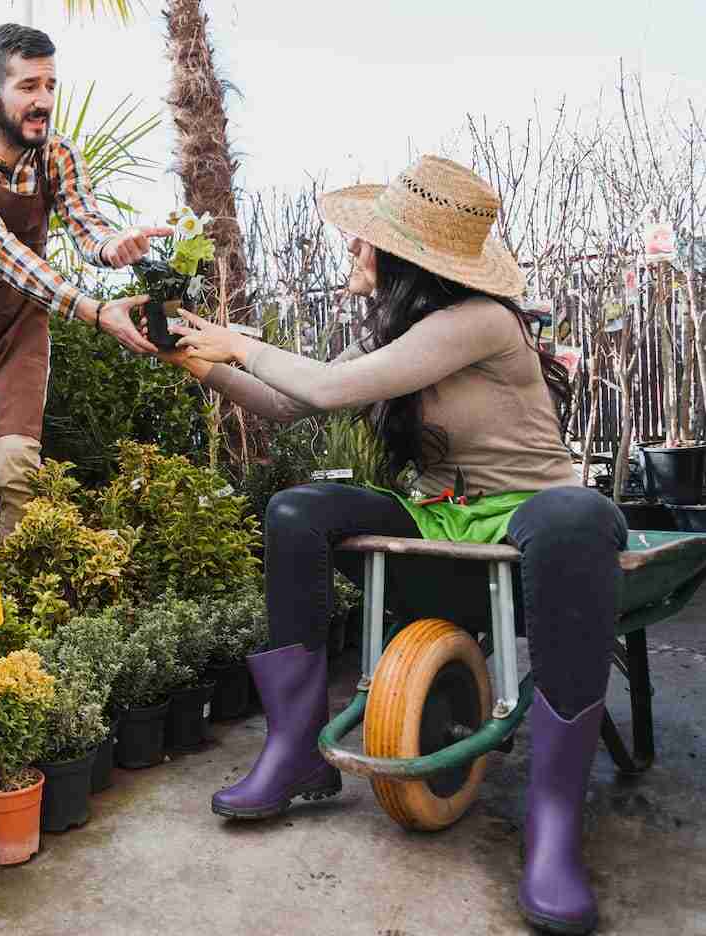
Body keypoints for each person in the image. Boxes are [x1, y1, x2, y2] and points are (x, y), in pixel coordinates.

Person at [159, 155, 623, 936]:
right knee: (297, 509)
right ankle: (296, 751)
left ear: (404, 260)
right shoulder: (403, 335)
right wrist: (195, 361)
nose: (353, 255)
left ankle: (553, 826)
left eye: (364, 243)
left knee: (577, 516)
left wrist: (238, 342)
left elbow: (328, 390)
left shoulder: (479, 321)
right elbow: (284, 401)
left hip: (531, 516)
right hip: (441, 518)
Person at [0, 23, 166, 540]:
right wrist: (94, 310)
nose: (44, 100)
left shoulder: (59, 155)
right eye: (28, 86)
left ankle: (33, 599)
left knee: (17, 468)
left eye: (50, 86)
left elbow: (86, 224)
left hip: (19, 331)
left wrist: (112, 247)